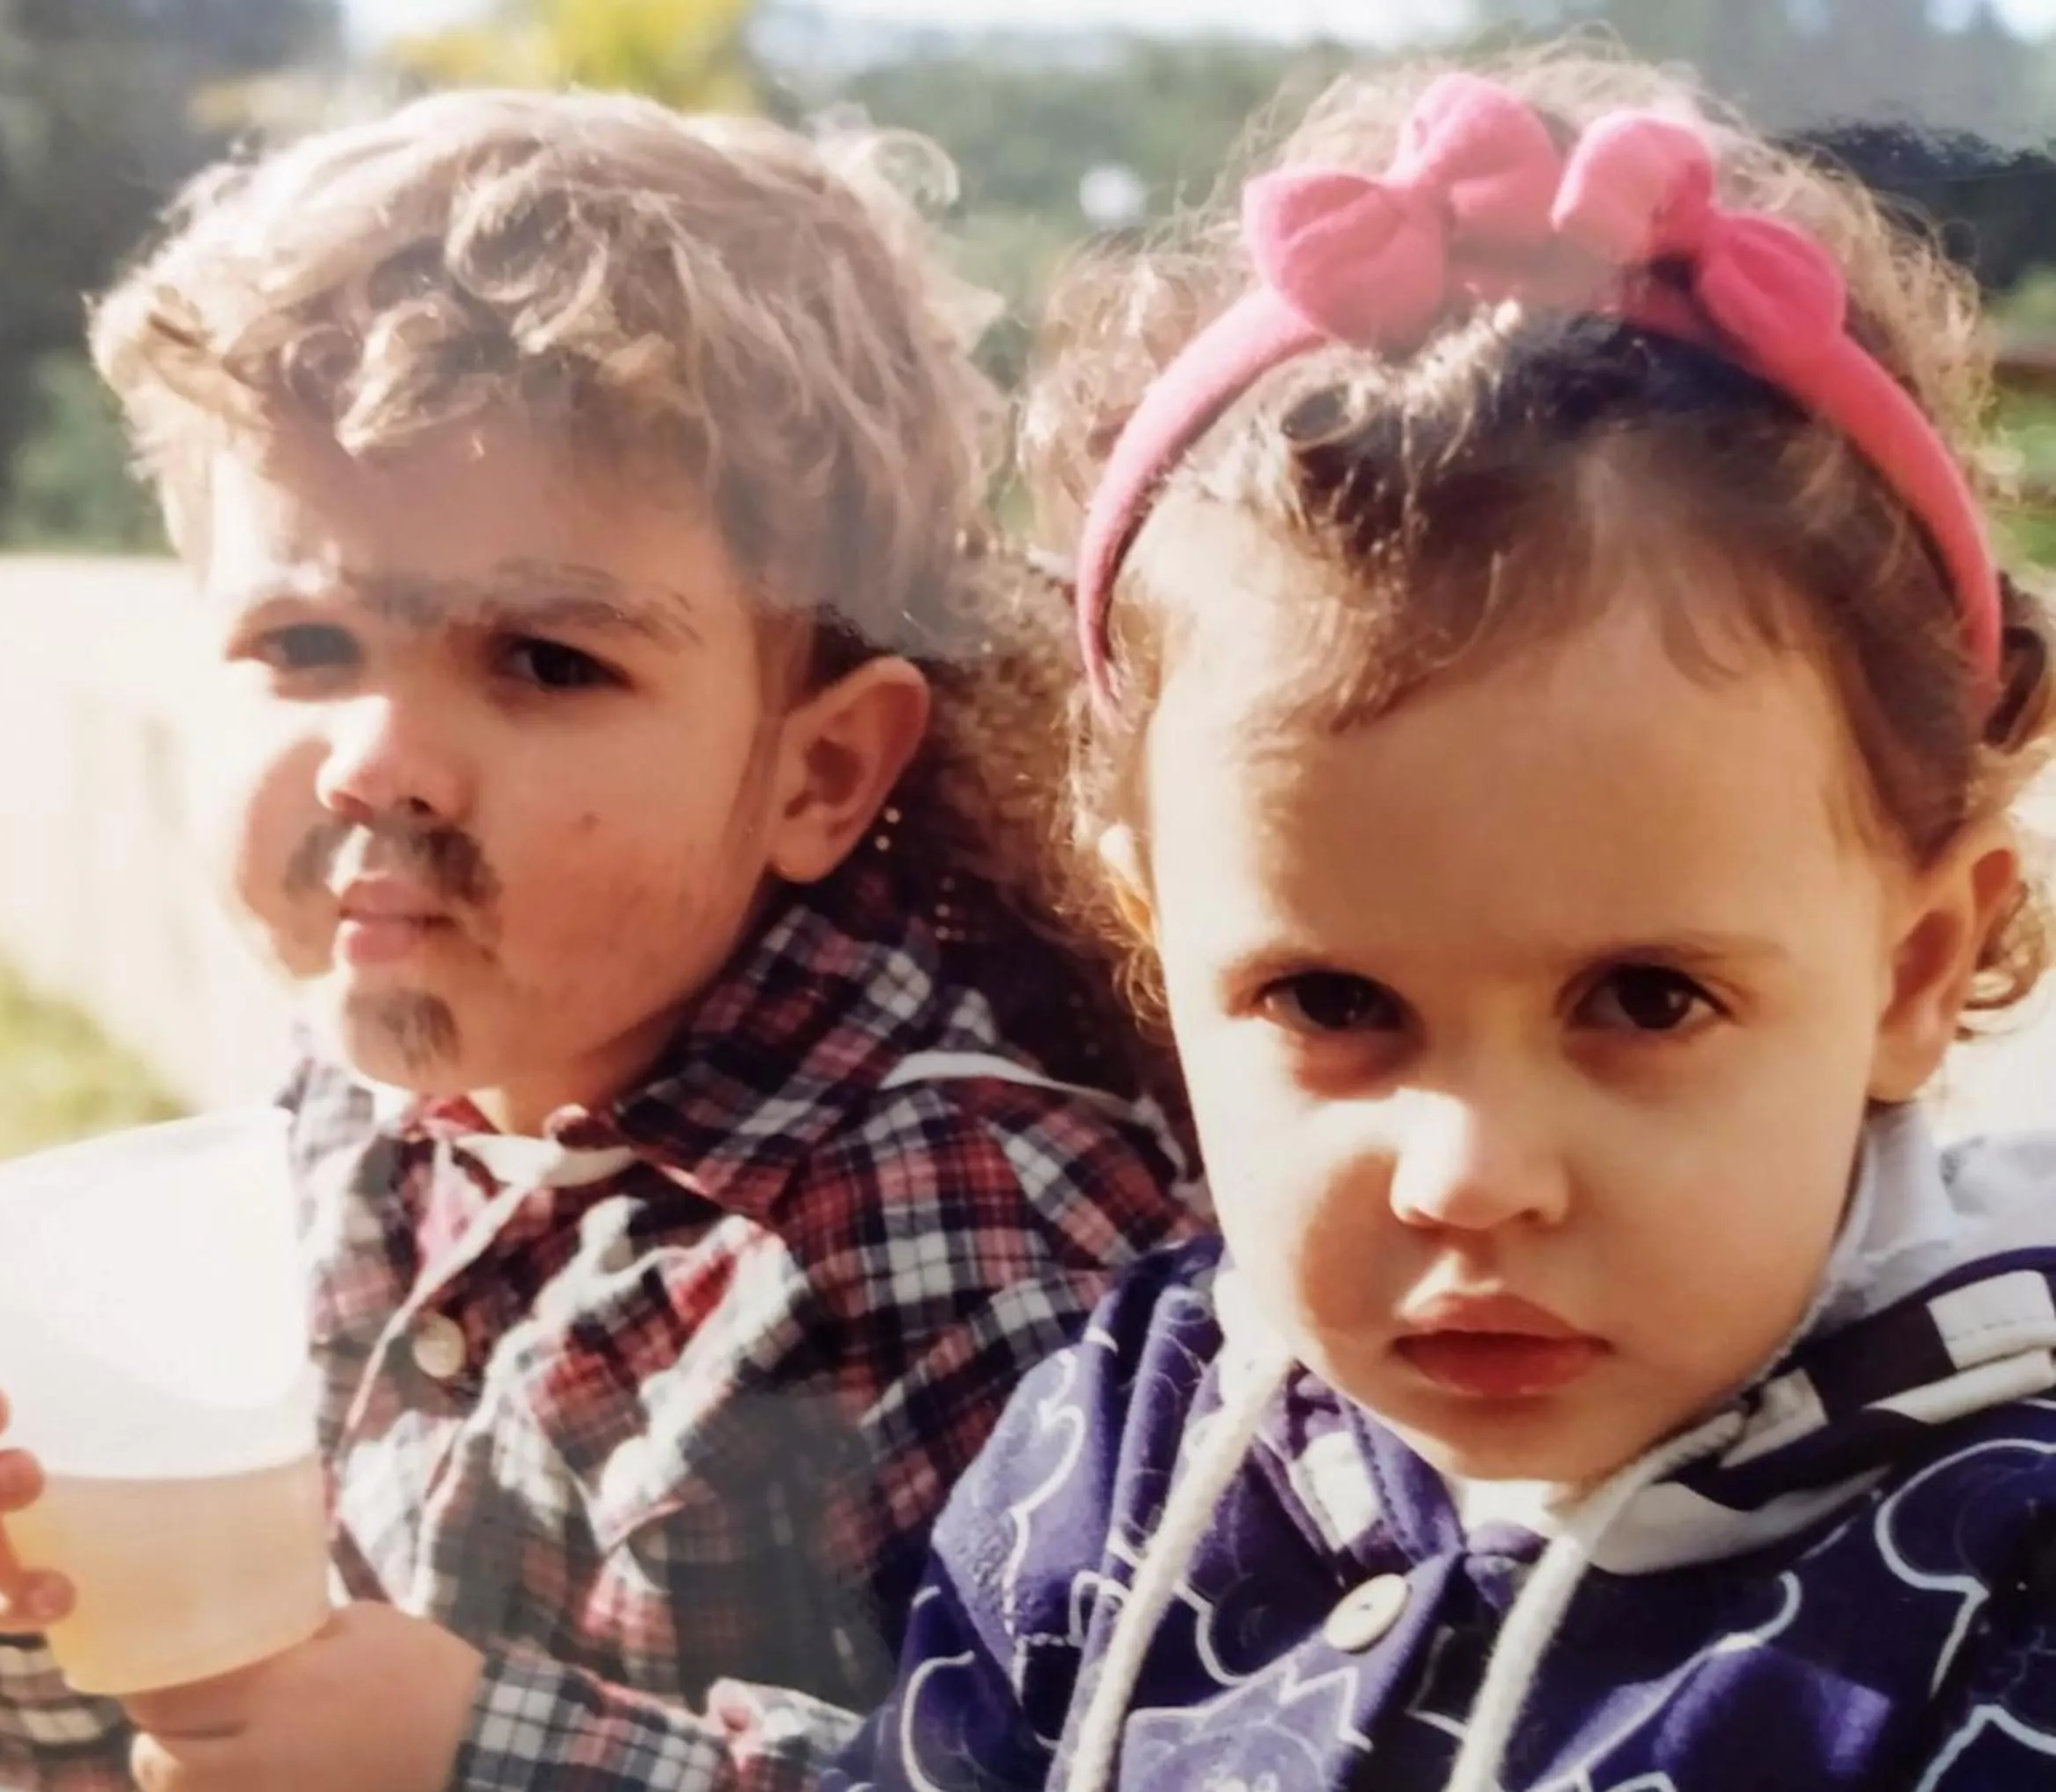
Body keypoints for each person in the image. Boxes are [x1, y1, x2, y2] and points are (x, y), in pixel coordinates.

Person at [0, 89, 1199, 1792]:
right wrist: (37, 1596)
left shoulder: (952, 1227)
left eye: (549, 661)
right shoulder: (346, 1122)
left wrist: (472, 1752)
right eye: (305, 637)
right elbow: (101, 1744)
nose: (379, 756)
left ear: (820, 767)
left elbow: (1106, 1761)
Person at [831, 46, 2056, 1792]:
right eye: (1332, 996)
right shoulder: (1121, 1443)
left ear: (1919, 963)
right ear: (1155, 939)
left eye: (1643, 998)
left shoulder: (1992, 1586)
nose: (1469, 1174)